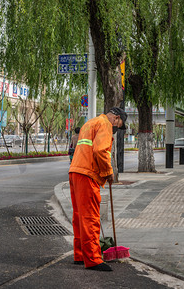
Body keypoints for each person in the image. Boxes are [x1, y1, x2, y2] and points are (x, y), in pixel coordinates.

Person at [68, 107, 127, 271]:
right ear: (115, 118)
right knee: (91, 217)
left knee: (79, 217)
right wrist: (108, 172)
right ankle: (93, 259)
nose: (116, 129)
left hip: (75, 172)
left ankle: (80, 254)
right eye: (118, 125)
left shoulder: (90, 123)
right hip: (88, 174)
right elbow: (100, 150)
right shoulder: (105, 124)